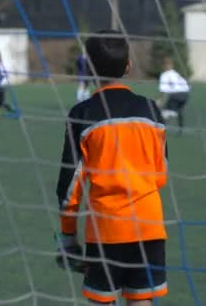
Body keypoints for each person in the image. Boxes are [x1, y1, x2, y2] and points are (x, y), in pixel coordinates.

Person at [55, 29, 169, 305]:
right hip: (149, 228)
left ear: (90, 69)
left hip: (106, 230)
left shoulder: (82, 114)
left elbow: (70, 187)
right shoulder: (151, 110)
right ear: (128, 66)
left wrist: (68, 238)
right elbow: (160, 173)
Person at [158, 57, 190, 132]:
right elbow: (185, 85)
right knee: (179, 110)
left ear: (164, 65)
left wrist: (160, 101)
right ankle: (181, 129)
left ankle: (160, 130)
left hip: (176, 95)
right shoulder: (176, 73)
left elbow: (163, 90)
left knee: (165, 112)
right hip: (185, 95)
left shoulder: (165, 75)